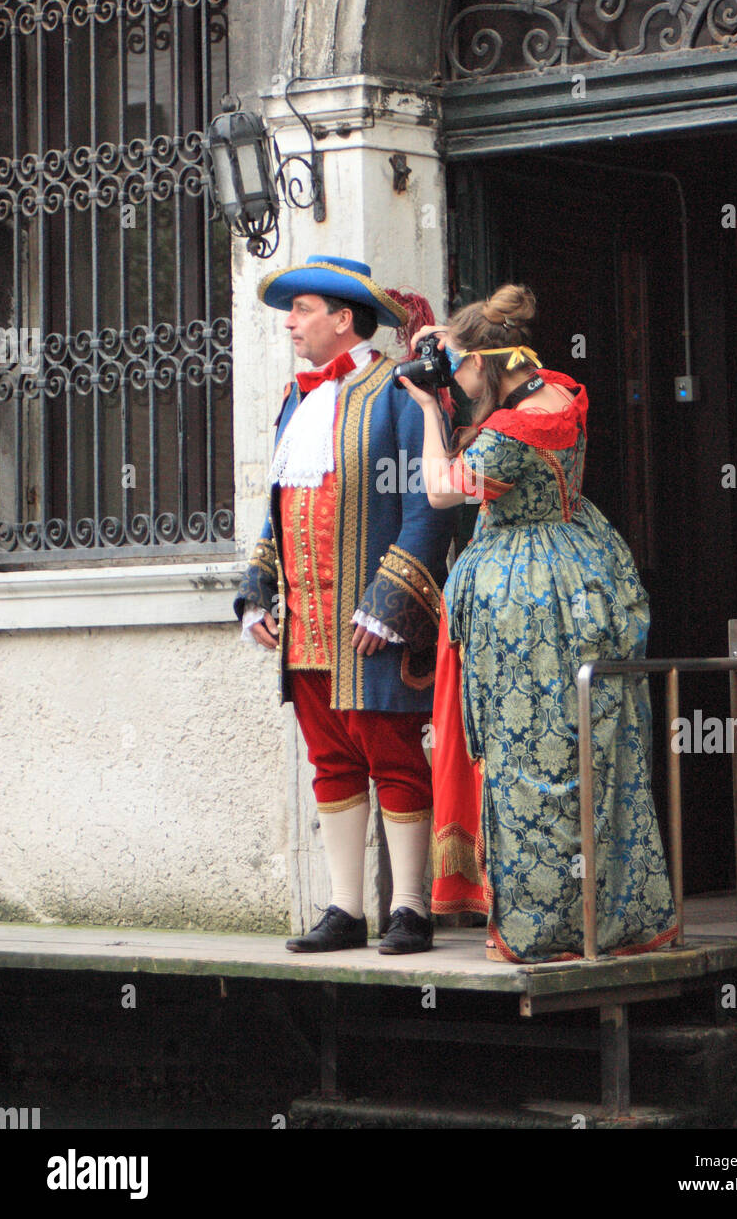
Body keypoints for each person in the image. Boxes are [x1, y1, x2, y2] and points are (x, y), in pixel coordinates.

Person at [398, 283, 677, 963]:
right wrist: (449, 356)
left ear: (488, 362)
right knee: (602, 750)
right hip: (582, 567)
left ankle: (544, 930)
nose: (458, 384)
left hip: (531, 603)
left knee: (534, 760)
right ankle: (620, 919)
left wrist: (430, 411)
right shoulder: (551, 390)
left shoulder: (510, 431)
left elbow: (443, 487)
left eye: (463, 369)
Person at [235, 255, 452, 955]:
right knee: (331, 763)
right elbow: (279, 511)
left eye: (301, 310)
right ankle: (345, 909)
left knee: (393, 756)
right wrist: (255, 596)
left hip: (370, 624)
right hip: (306, 628)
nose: (291, 322)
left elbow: (429, 509)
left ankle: (411, 909)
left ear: (343, 318)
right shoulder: (295, 403)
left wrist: (389, 602)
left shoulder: (399, 393)